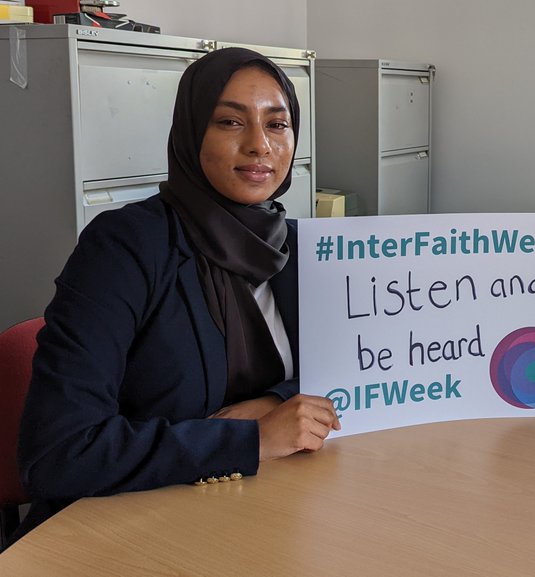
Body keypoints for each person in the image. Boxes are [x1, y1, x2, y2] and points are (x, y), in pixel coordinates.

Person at [17, 48, 340, 535]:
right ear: (191, 133)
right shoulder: (125, 248)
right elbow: (59, 451)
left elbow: (351, 373)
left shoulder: (299, 249)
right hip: (127, 529)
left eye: (277, 124)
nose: (259, 145)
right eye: (231, 122)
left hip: (262, 516)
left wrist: (277, 400)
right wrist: (248, 440)